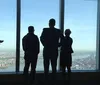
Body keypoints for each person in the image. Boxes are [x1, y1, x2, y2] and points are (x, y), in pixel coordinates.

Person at [40, 18, 63, 84]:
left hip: (47, 50)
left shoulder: (45, 30)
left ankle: (46, 81)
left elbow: (41, 38)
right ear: (54, 23)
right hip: (54, 51)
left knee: (46, 67)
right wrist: (58, 45)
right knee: (54, 67)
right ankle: (54, 81)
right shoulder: (58, 31)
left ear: (49, 23)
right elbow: (63, 39)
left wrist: (45, 44)